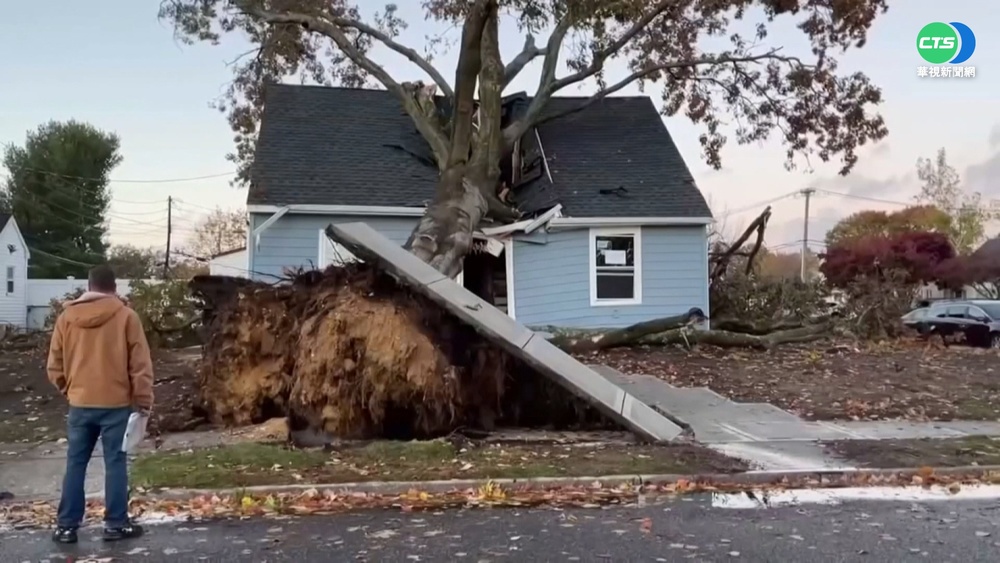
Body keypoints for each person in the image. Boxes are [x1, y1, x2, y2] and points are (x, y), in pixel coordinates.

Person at [46, 265, 154, 544]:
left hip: (80, 403)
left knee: (76, 463)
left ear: (89, 286)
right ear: (114, 287)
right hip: (116, 404)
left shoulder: (67, 317)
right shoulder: (127, 317)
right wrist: (142, 402)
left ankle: (66, 526)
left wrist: (70, 390)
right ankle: (116, 524)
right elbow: (140, 366)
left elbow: (54, 365)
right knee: (115, 462)